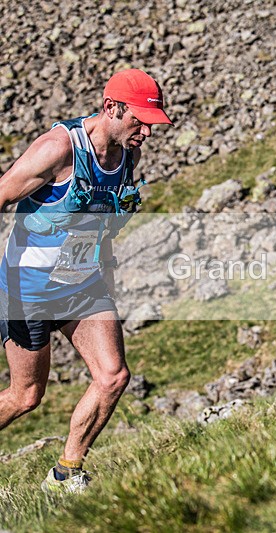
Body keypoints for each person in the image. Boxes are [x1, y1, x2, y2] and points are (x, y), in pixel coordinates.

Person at [0, 69, 172, 493]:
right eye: (140, 120)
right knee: (26, 396)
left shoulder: (127, 154)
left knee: (113, 376)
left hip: (82, 286)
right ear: (111, 107)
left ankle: (65, 474)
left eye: (153, 123)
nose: (147, 132)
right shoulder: (59, 148)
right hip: (29, 292)